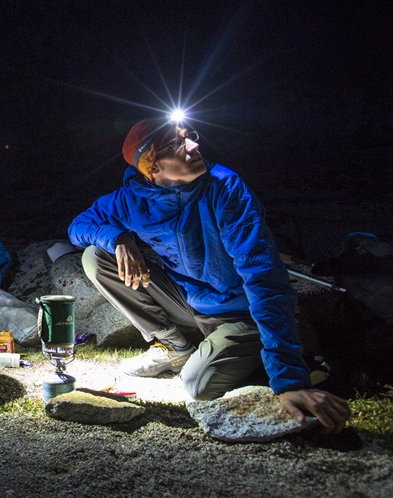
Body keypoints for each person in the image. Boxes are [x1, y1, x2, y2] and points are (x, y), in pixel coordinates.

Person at [68, 118, 350, 433]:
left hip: (240, 312)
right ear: (153, 169)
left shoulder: (224, 188)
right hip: (192, 302)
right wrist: (120, 238)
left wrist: (289, 381)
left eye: (190, 137)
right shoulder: (132, 199)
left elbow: (264, 278)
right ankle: (174, 347)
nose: (195, 146)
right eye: (177, 143)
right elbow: (79, 225)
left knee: (197, 385)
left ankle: (291, 353)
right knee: (96, 256)